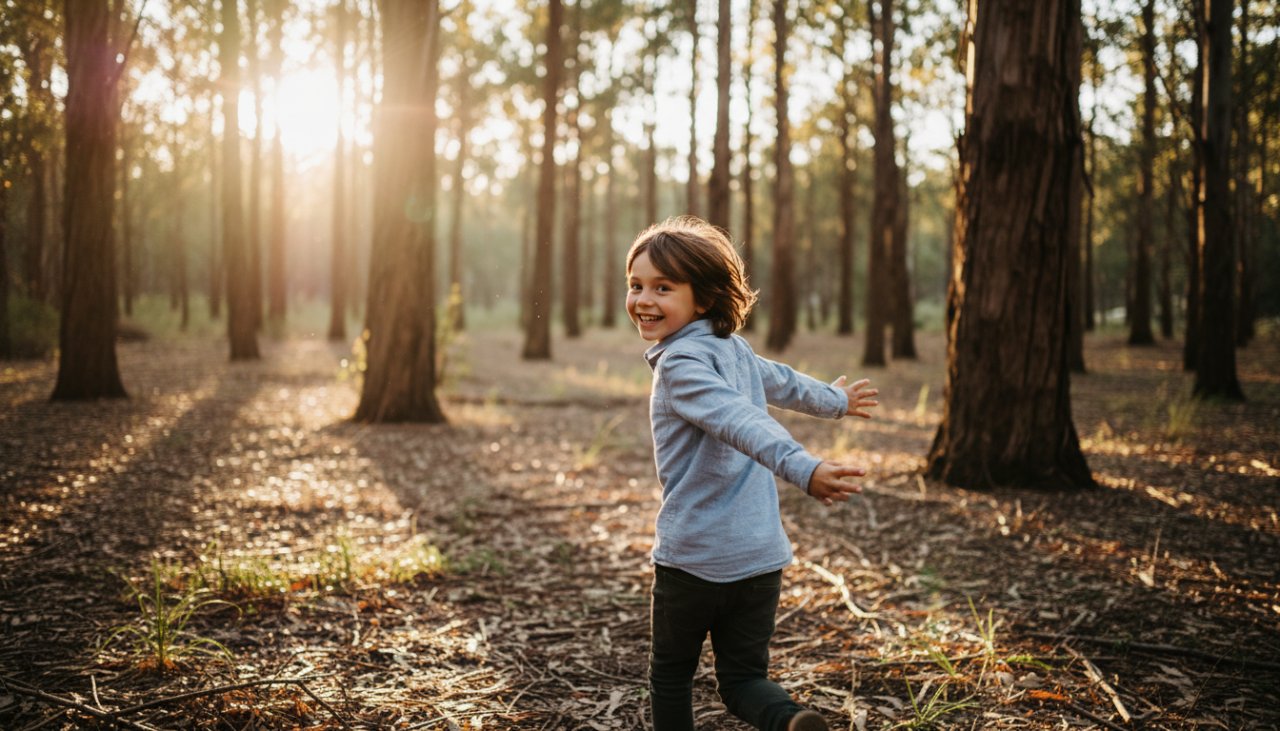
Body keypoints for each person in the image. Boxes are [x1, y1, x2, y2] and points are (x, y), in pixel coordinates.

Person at [626, 216, 879, 731]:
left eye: (662, 288)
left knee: (670, 675)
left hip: (693, 557)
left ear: (703, 299)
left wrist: (803, 467)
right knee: (743, 680)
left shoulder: (681, 364)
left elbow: (741, 420)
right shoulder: (733, 349)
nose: (643, 300)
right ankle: (788, 721)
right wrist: (834, 401)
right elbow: (782, 382)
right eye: (636, 285)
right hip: (760, 555)